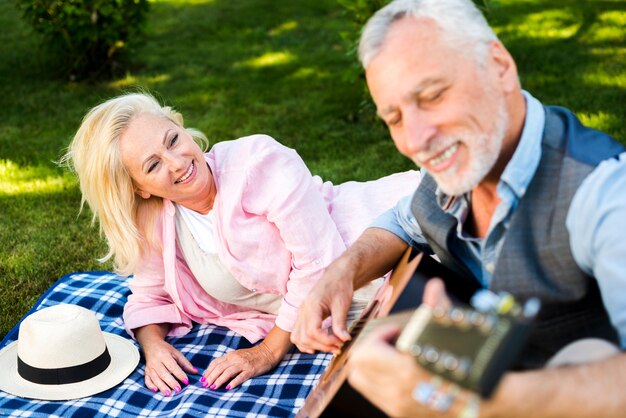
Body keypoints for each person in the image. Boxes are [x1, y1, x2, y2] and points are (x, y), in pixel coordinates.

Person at [291, 0, 626, 416]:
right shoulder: (460, 170)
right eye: (393, 118)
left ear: (499, 65)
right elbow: (400, 223)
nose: (414, 140)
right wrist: (341, 273)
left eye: (431, 96)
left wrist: (461, 403)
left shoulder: (606, 194)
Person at [63, 92, 419, 397]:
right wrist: (154, 347)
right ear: (140, 188)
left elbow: (319, 264)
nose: (177, 163)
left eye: (172, 140)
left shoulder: (257, 163)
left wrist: (266, 352)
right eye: (153, 165)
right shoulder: (160, 221)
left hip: (399, 244)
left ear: (181, 126)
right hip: (355, 315)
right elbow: (147, 296)